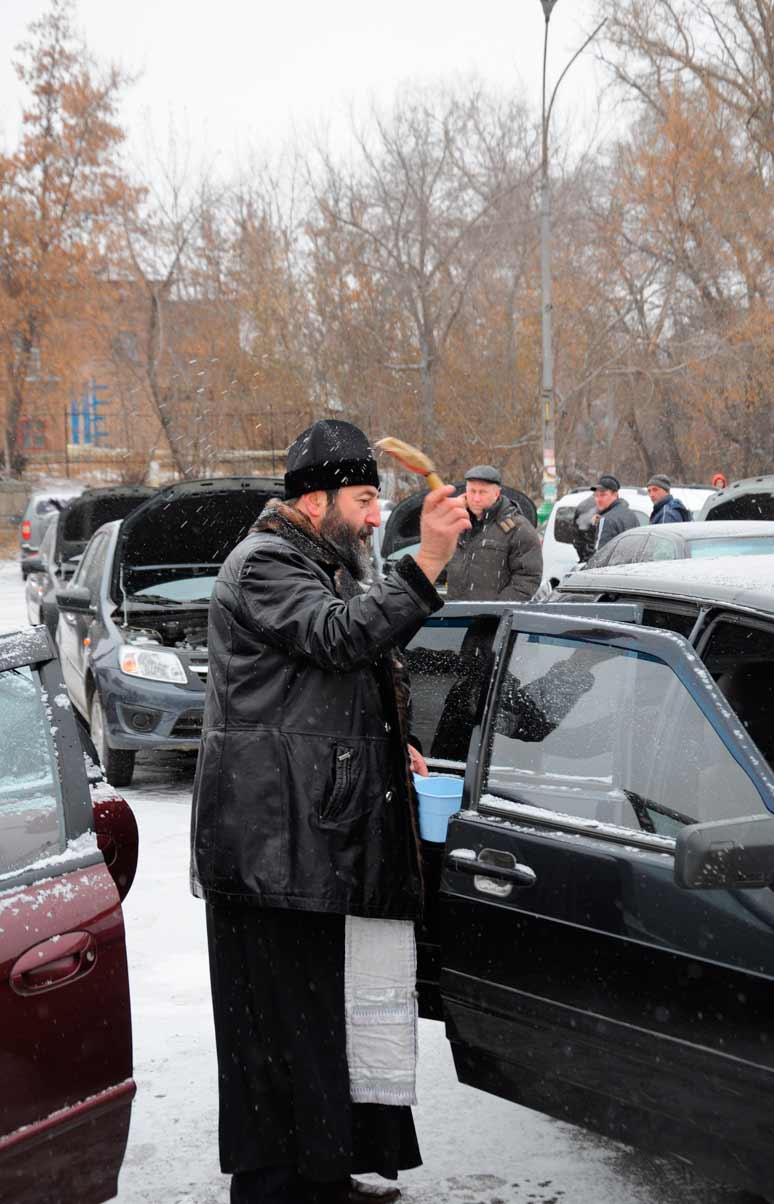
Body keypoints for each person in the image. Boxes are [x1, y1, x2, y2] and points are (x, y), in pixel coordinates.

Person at [190, 419, 471, 1204]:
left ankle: (323, 1172)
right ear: (314, 502)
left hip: (310, 831)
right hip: (267, 841)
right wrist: (431, 560)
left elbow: (335, 678)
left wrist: (393, 740)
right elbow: (339, 638)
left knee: (321, 1022)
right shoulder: (263, 565)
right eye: (364, 499)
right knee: (275, 1030)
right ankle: (277, 1189)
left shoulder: (323, 561)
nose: (378, 516)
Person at [445, 465, 542, 601]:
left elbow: (527, 579)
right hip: (454, 615)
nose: (476, 498)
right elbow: (441, 566)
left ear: (496, 494)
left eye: (482, 492)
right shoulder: (456, 523)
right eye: (472, 491)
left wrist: (495, 610)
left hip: (493, 618)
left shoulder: (518, 529)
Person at [592, 474, 638, 551]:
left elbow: (599, 556)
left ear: (615, 494)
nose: (598, 499)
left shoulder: (606, 519)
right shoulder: (631, 514)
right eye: (596, 495)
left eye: (603, 495)